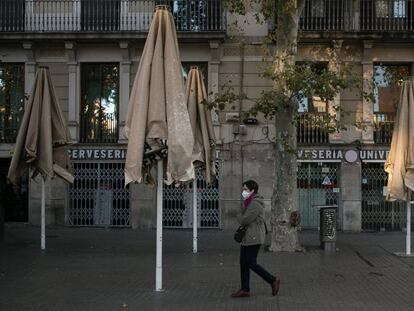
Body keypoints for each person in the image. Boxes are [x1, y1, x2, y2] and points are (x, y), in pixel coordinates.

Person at [231, 180, 280, 298]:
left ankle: (272, 280)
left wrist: (238, 214)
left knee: (251, 263)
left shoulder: (255, 203)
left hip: (254, 237)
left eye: (245, 189)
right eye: (243, 189)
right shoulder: (248, 202)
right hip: (247, 237)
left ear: (252, 190)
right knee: (243, 263)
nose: (243, 192)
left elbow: (244, 220)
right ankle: (245, 289)